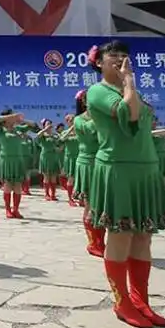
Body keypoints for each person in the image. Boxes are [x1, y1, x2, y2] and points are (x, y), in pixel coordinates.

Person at [84, 41, 165, 328]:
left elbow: (141, 121)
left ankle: (141, 300)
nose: (121, 60)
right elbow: (131, 115)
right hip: (117, 169)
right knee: (121, 236)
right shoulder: (98, 91)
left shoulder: (130, 89)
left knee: (143, 237)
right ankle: (121, 301)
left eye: (125, 56)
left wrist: (129, 85)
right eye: (114, 56)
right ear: (99, 63)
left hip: (145, 168)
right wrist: (128, 82)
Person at [70, 90, 104, 257]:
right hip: (87, 163)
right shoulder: (79, 120)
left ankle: (101, 241)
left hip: (103, 162)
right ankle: (93, 242)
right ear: (84, 101)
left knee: (103, 205)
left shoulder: (102, 118)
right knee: (91, 203)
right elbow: (91, 131)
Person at [0, 110, 34, 219]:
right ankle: (7, 210)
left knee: (17, 186)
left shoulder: (18, 129)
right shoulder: (1, 130)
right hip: (6, 160)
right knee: (7, 185)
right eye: (10, 117)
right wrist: (12, 116)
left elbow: (33, 126)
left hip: (18, 160)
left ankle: (15, 210)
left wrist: (22, 120)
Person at [36, 119, 61, 201]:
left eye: (50, 124)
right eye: (47, 124)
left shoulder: (55, 135)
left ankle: (53, 194)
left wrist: (59, 148)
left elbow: (60, 143)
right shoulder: (43, 135)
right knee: (46, 176)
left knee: (53, 176)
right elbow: (38, 135)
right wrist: (45, 130)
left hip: (53, 156)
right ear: (44, 125)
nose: (49, 125)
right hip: (45, 156)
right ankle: (46, 194)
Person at [60, 114, 79, 205]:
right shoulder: (65, 132)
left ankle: (81, 198)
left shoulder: (79, 132)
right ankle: (70, 198)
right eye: (70, 120)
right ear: (67, 122)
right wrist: (71, 130)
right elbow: (62, 139)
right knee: (71, 178)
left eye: (74, 120)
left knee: (80, 179)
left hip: (79, 157)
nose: (72, 122)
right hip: (70, 157)